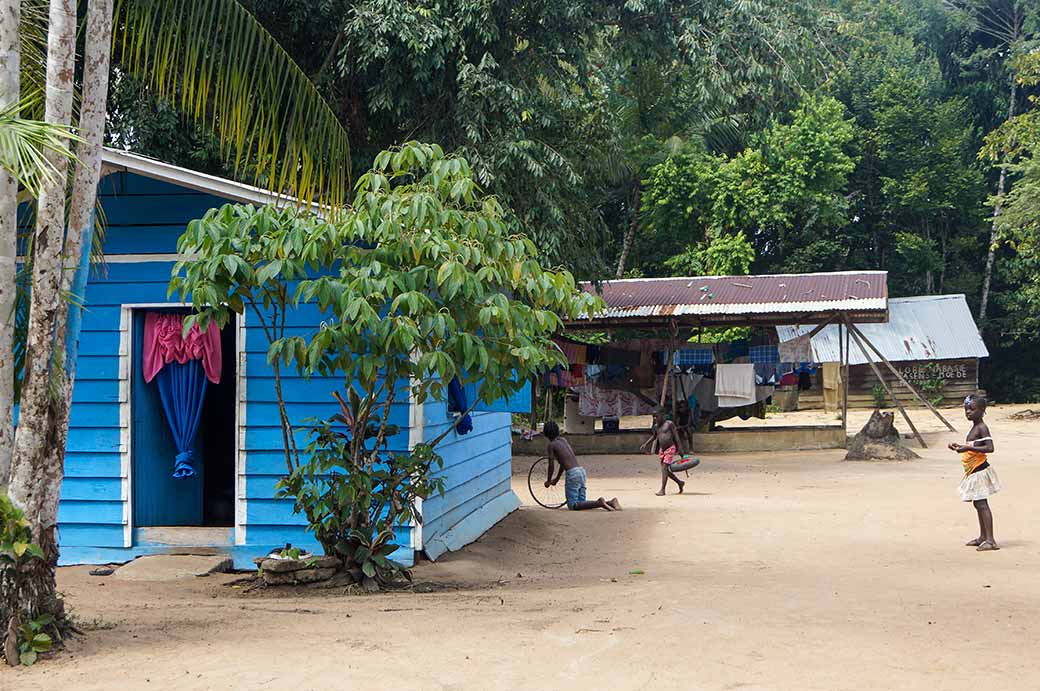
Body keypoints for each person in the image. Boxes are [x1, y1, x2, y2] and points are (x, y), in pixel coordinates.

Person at [947, 395, 1000, 552]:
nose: (968, 412)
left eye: (972, 409)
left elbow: (990, 448)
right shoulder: (975, 428)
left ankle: (990, 540)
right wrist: (960, 447)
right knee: (978, 503)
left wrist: (968, 448)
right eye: (966, 409)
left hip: (980, 471)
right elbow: (974, 446)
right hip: (973, 471)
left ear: (982, 410)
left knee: (982, 504)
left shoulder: (982, 427)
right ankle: (983, 537)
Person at [543, 421, 621, 511]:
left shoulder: (551, 445)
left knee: (573, 505)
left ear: (546, 434)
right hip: (581, 471)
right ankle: (610, 502)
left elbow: (551, 465)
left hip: (573, 474)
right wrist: (556, 479)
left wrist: (548, 481)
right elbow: (562, 463)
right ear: (557, 431)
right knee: (581, 502)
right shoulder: (563, 440)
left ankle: (599, 503)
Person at [651, 408, 687, 496]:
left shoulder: (669, 424)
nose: (655, 418)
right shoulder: (656, 426)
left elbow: (676, 437)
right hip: (662, 450)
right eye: (653, 417)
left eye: (657, 416)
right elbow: (654, 437)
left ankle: (662, 490)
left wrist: (680, 449)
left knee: (664, 469)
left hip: (670, 448)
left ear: (663, 415)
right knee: (665, 470)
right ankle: (679, 482)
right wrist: (646, 443)